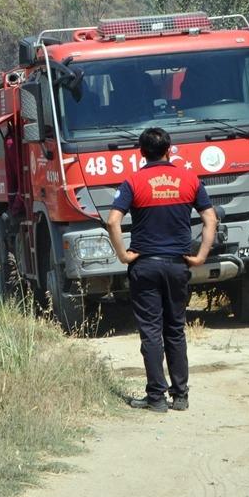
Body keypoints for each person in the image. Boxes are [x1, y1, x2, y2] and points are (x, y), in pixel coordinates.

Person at [106, 127, 217, 413]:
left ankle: (156, 398)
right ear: (170, 150)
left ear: (141, 153)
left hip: (144, 266)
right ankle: (180, 396)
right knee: (175, 330)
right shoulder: (190, 179)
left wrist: (123, 255)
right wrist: (201, 255)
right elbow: (210, 219)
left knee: (151, 332)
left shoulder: (133, 181)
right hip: (177, 265)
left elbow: (113, 221)